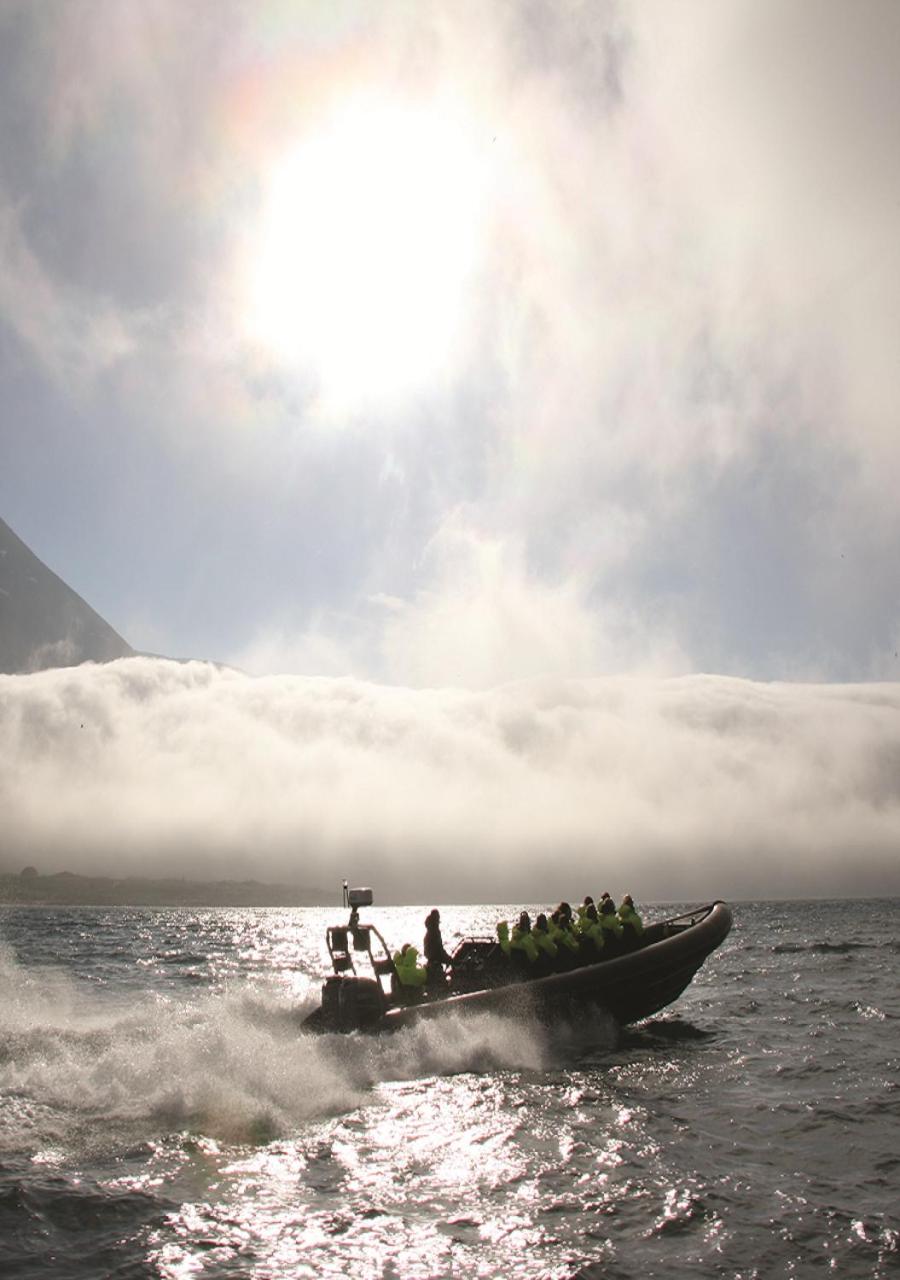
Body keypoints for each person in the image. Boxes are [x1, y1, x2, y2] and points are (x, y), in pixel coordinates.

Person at [423, 908, 453, 989]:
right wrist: (449, 960)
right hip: (435, 965)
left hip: (430, 963)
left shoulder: (429, 932)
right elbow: (439, 949)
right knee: (443, 987)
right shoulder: (434, 932)